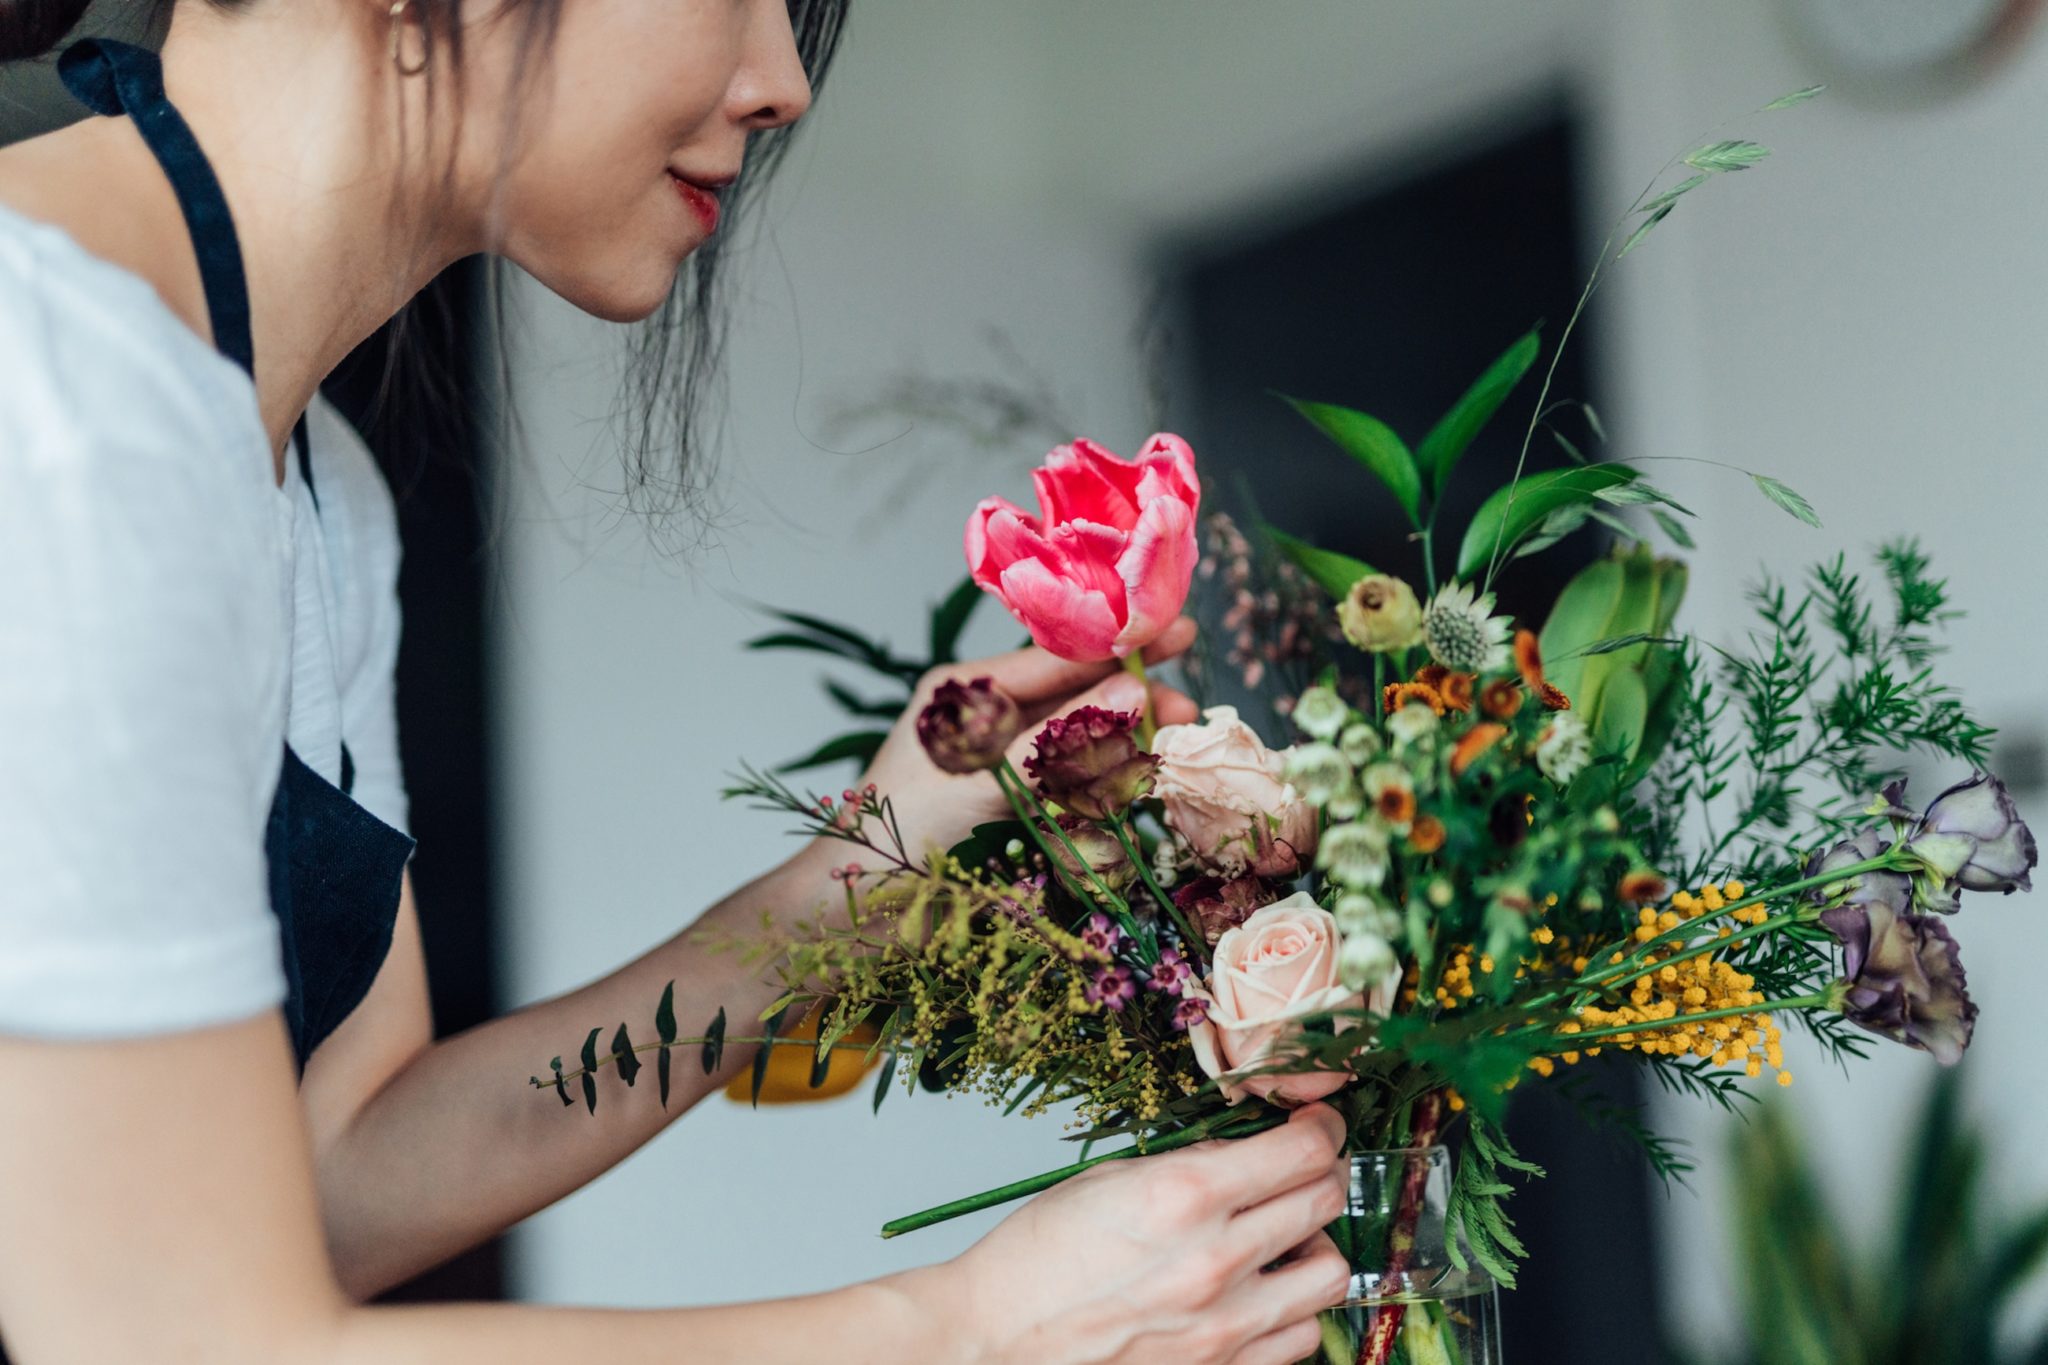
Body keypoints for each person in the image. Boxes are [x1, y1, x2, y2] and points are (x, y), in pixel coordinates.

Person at [0, 3, 1352, 1363]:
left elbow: (339, 1177)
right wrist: (971, 1330)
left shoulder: (318, 501)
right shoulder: (56, 398)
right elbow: (175, 1335)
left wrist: (856, 885)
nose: (780, 85)